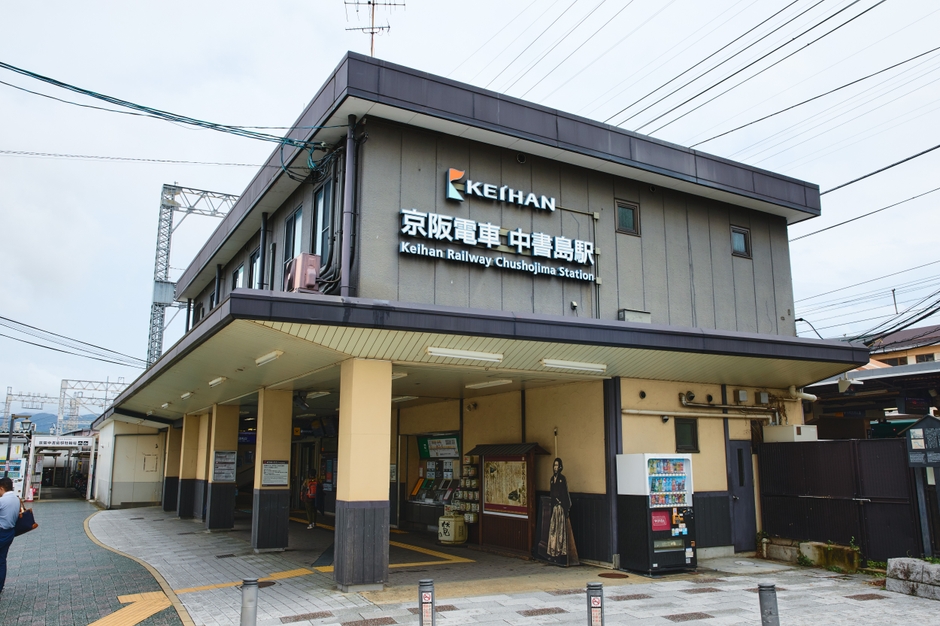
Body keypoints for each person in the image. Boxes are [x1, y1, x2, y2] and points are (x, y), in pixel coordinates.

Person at [546, 457, 571, 564]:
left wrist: (562, 503)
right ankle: (552, 552)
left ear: (560, 467)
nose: (555, 467)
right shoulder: (552, 479)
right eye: (554, 465)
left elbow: (565, 493)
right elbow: (551, 493)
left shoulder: (562, 478)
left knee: (560, 530)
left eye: (557, 465)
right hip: (554, 507)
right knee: (553, 530)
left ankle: (560, 553)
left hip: (560, 507)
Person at [0, 476, 20, 595]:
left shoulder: (2, 501)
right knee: (2, 560)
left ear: (2, 488)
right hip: (10, 533)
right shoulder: (16, 499)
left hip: (1, 532)